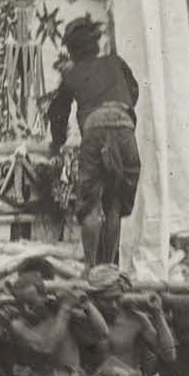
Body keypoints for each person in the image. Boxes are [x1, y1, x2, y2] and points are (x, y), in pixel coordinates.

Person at [46, 16, 142, 268]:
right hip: (124, 125)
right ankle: (109, 268)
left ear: (72, 50)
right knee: (115, 203)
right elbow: (133, 92)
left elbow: (57, 113)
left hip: (94, 128)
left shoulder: (71, 74)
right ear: (96, 43)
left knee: (90, 204)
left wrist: (57, 144)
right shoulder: (115, 62)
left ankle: (90, 269)